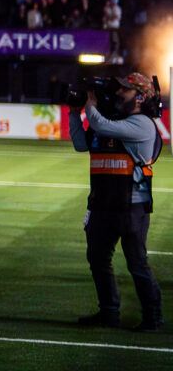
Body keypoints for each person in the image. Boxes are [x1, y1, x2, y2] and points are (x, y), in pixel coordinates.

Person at [72, 72, 164, 331]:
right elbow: (81, 144)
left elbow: (101, 125)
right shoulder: (114, 122)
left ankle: (152, 316)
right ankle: (109, 312)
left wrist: (90, 103)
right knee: (98, 259)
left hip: (131, 206)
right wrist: (72, 112)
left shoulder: (142, 124)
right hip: (104, 204)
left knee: (137, 263)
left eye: (124, 90)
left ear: (140, 97)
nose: (117, 94)